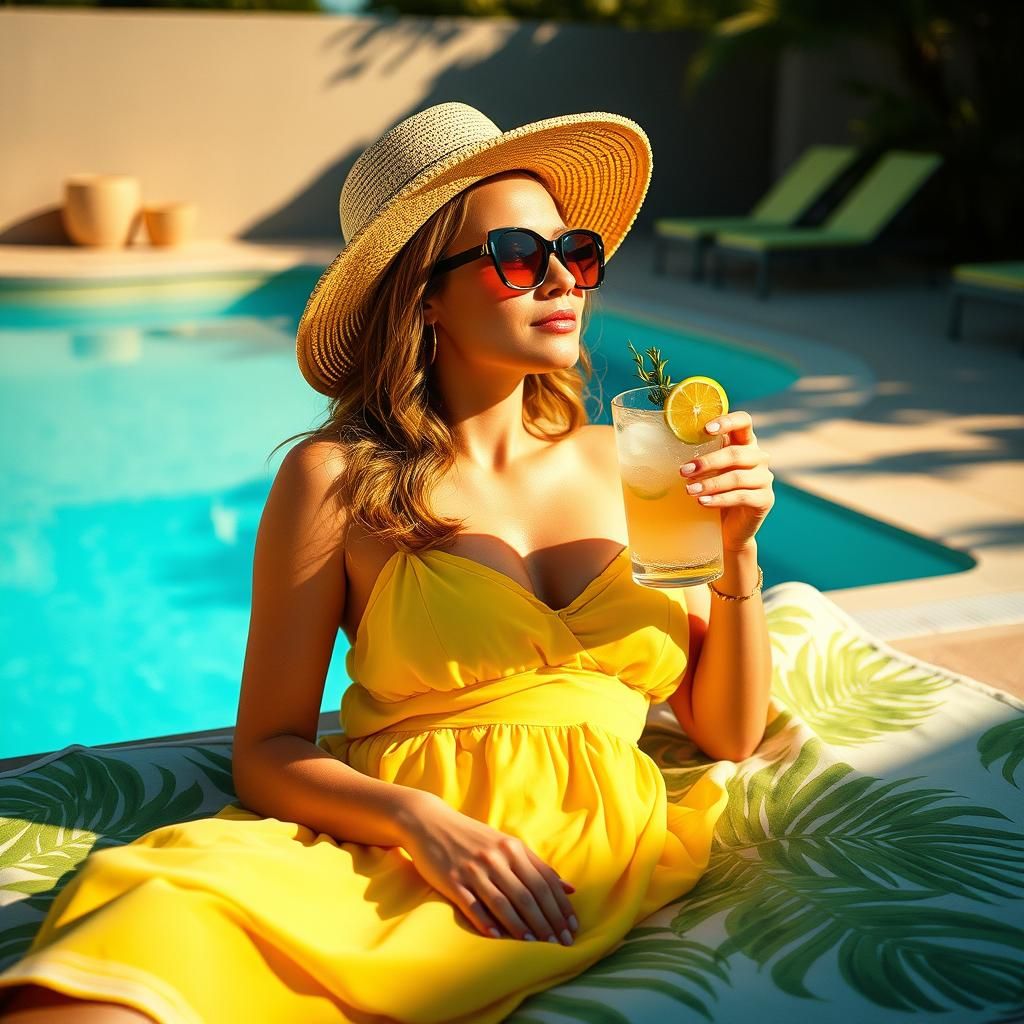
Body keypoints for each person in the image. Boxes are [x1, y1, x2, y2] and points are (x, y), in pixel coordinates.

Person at [0, 101, 775, 1024]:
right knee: (114, 970)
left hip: (573, 858)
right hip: (389, 848)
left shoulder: (629, 460)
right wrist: (421, 825)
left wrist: (740, 550)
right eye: (520, 256)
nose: (564, 279)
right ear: (424, 295)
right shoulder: (333, 482)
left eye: (576, 250)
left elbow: (725, 731)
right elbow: (269, 751)